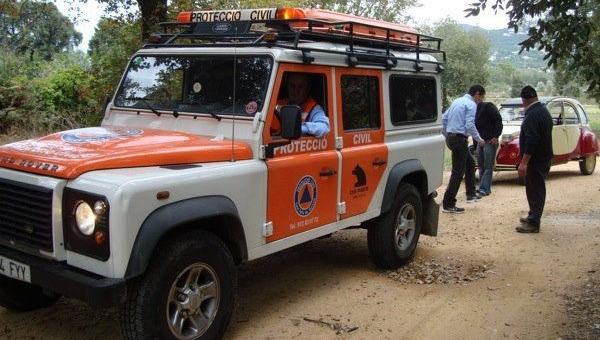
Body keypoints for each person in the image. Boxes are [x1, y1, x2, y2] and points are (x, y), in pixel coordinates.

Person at [441, 85, 486, 214]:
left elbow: (444, 118)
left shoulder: (457, 101)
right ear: (477, 94)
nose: (481, 100)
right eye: (481, 97)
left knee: (470, 163)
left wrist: (447, 134)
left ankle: (471, 193)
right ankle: (448, 203)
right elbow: (470, 125)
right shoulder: (471, 105)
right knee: (457, 172)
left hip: (451, 138)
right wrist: (479, 140)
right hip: (460, 139)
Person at [516, 85, 553, 233]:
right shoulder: (543, 111)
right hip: (543, 157)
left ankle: (534, 222)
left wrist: (524, 162)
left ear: (524, 100)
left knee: (535, 189)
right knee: (534, 188)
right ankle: (533, 215)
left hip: (536, 160)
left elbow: (532, 139)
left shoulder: (532, 114)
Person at [271, 73, 330, 137]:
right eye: (292, 86)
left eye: (300, 87)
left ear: (307, 89)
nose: (295, 91)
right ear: (287, 86)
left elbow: (324, 127)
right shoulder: (276, 104)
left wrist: (299, 128)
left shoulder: (314, 108)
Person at [475, 101, 503, 196]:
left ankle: (484, 188)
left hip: (490, 140)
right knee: (481, 165)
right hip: (480, 141)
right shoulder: (475, 109)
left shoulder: (488, 106)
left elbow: (498, 120)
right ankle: (483, 187)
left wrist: (496, 136)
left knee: (488, 166)